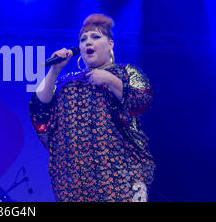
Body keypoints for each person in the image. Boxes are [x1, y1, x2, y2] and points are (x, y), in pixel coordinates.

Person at [29, 13, 155, 202]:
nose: (88, 42)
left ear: (110, 44)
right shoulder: (67, 82)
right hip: (76, 184)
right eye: (83, 39)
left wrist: (110, 80)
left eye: (95, 37)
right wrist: (55, 70)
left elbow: (143, 98)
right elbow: (39, 109)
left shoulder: (125, 73)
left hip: (121, 179)